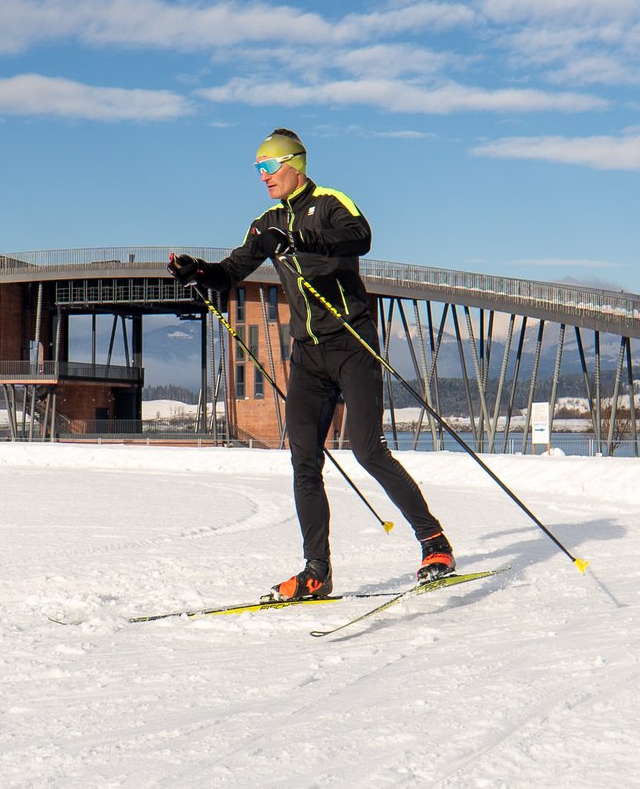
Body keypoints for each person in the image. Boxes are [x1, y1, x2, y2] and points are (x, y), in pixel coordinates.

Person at [170, 129, 453, 600]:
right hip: (307, 354)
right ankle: (316, 570)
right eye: (257, 169)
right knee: (303, 460)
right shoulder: (265, 224)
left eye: (268, 166)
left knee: (368, 450)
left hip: (352, 344)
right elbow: (229, 273)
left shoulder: (330, 202)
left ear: (294, 163)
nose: (262, 177)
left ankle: (434, 542)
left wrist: (300, 237)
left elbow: (359, 238)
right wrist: (197, 272)